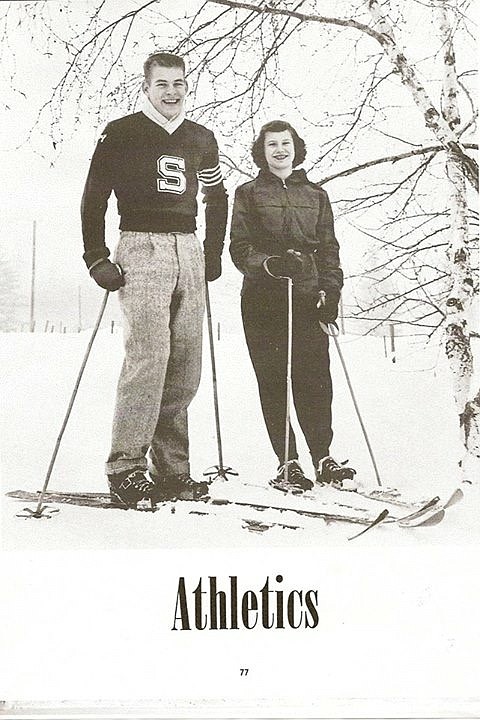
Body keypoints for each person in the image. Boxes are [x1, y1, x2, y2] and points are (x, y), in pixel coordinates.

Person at [81, 52, 228, 509]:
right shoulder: (122, 132)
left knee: (185, 361)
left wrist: (212, 251)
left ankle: (172, 471)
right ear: (146, 87)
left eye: (178, 83)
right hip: (141, 244)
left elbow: (217, 196)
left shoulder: (201, 138)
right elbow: (94, 197)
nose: (171, 92)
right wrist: (96, 256)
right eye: (161, 84)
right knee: (149, 356)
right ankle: (126, 467)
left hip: (188, 245)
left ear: (188, 87)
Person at [230, 120, 355, 492]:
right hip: (263, 298)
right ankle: (288, 462)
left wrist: (330, 291)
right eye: (272, 145)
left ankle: (323, 457)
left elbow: (329, 248)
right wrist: (268, 264)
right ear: (262, 151)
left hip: (307, 296)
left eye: (285, 143)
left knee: (315, 379)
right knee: (273, 380)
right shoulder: (248, 193)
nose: (279, 150)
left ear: (296, 148)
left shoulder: (316, 194)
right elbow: (240, 248)